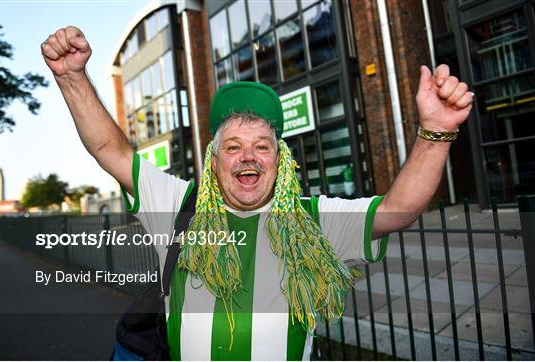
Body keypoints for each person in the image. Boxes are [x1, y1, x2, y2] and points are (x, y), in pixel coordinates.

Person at [41, 26, 473, 360]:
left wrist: (436, 133)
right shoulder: (176, 206)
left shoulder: (314, 220)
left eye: (261, 147)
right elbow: (109, 149)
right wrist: (73, 77)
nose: (248, 157)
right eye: (233, 147)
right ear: (214, 161)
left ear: (281, 160)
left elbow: (399, 211)